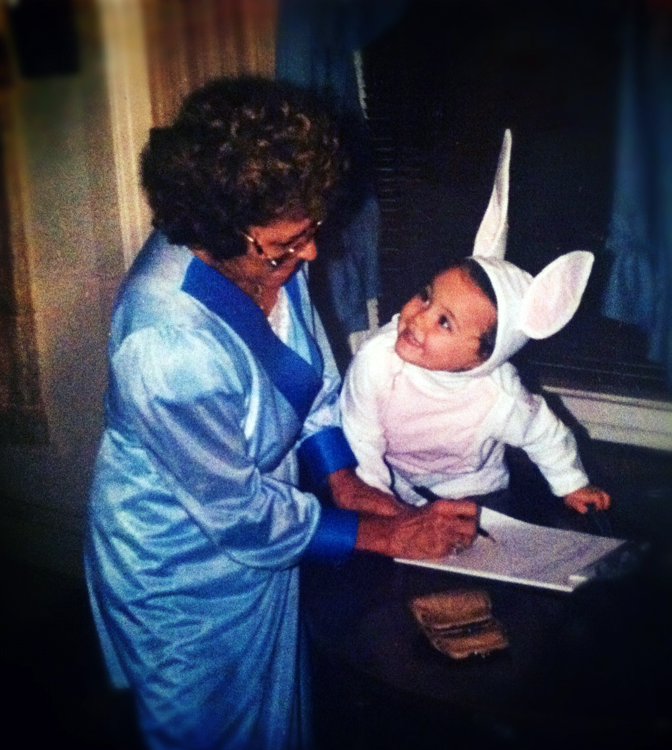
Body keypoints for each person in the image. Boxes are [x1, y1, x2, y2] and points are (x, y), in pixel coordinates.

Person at [84, 76, 477, 750]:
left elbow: (315, 387)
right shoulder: (164, 342)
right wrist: (390, 536)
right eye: (290, 242)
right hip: (180, 563)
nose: (312, 253)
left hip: (266, 529)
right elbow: (237, 515)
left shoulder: (267, 260)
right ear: (218, 229)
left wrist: (346, 483)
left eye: (313, 228)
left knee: (277, 723)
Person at [341, 130, 611, 514]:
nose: (418, 318)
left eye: (445, 323)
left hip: (472, 484)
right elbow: (360, 435)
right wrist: (379, 501)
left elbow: (544, 434)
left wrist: (572, 484)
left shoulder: (500, 398)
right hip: (392, 475)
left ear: (480, 358)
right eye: (426, 295)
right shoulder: (377, 361)